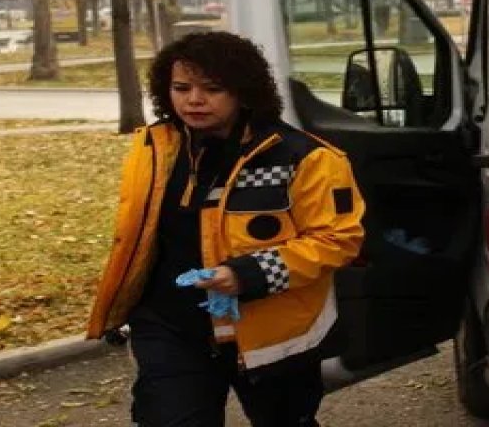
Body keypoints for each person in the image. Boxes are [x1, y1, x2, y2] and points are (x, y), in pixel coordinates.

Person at [86, 31, 366, 427]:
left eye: (212, 89)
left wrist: (246, 274)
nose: (193, 100)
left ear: (244, 91)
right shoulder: (155, 147)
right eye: (181, 88)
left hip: (268, 335)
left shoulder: (308, 157)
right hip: (170, 327)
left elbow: (339, 240)